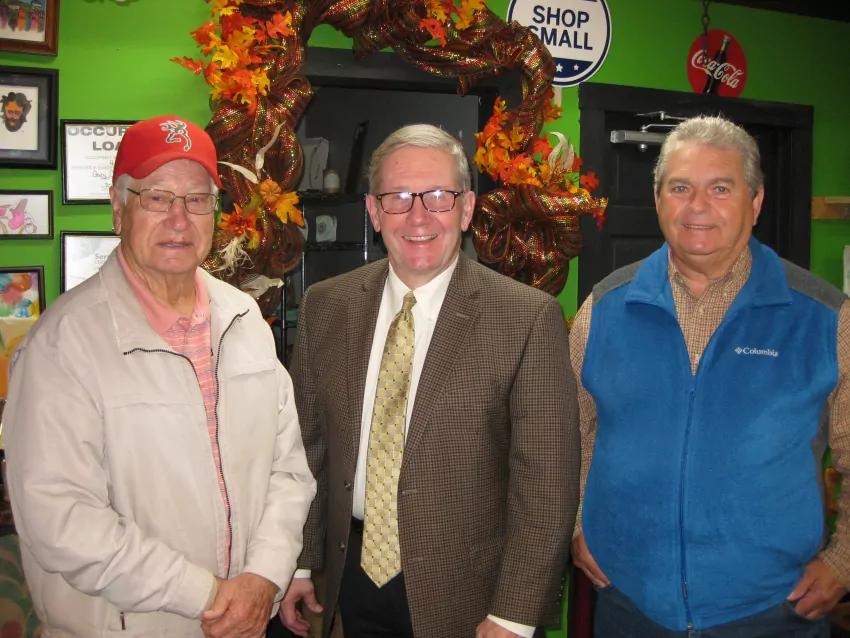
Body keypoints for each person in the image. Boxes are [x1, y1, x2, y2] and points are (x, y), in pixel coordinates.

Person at [3, 115, 316, 637]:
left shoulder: (243, 320)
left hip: (247, 617)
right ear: (117, 208)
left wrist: (264, 575)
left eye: (196, 199)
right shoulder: (61, 346)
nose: (179, 219)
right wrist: (209, 596)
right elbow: (60, 519)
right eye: (156, 197)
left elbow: (287, 472)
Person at [276, 124, 580, 638]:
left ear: (467, 209)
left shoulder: (526, 318)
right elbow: (308, 446)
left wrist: (514, 613)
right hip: (350, 577)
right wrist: (302, 561)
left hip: (469, 594)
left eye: (439, 196)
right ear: (373, 212)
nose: (418, 216)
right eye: (397, 197)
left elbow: (546, 484)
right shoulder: (326, 306)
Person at [570, 115, 850, 637]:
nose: (697, 206)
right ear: (658, 200)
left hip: (771, 612)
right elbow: (568, 432)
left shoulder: (824, 317)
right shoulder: (604, 307)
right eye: (680, 188)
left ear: (755, 202)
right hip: (629, 605)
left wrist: (845, 559)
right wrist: (576, 522)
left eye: (721, 188)